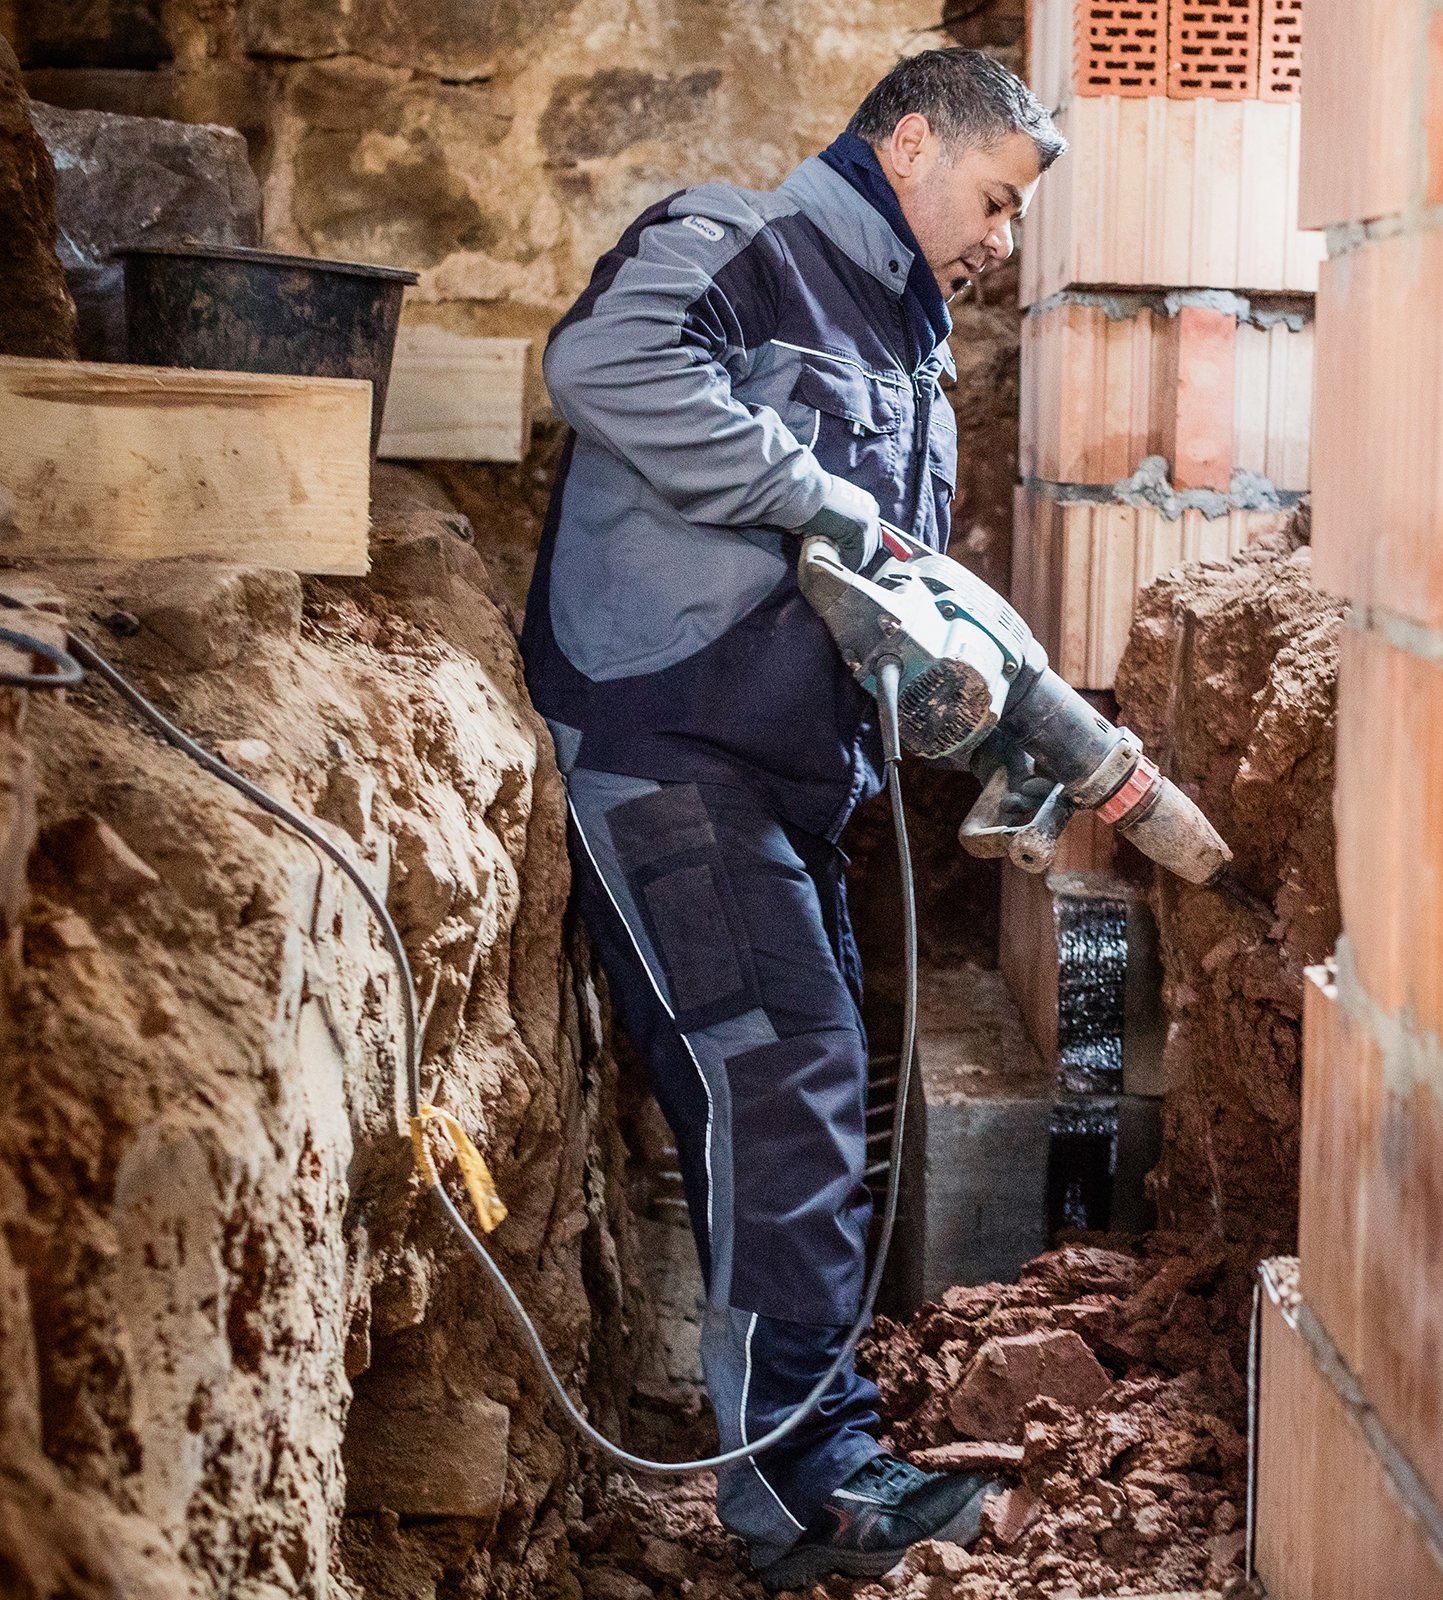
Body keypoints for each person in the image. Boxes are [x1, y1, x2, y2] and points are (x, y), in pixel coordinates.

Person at [519, 49, 1063, 1588]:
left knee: (795, 1085)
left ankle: (804, 1434)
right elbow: (601, 365)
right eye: (999, 202)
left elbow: (895, 586)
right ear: (909, 142)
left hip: (784, 780)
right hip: (666, 748)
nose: (1004, 244)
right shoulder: (737, 243)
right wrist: (808, 492)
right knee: (783, 1084)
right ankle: (801, 1490)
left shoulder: (907, 339)